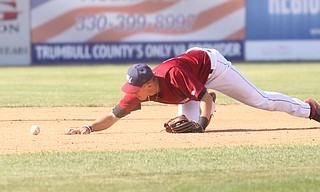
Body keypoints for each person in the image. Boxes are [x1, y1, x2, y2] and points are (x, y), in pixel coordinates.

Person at [66, 47, 320, 135]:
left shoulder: (174, 76)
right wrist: (87, 128)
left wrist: (202, 123)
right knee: (184, 123)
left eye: (135, 88)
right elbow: (113, 116)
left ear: (149, 85)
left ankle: (310, 108)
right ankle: (200, 100)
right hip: (192, 78)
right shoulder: (139, 91)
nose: (131, 92)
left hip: (213, 68)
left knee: (260, 100)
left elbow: (204, 100)